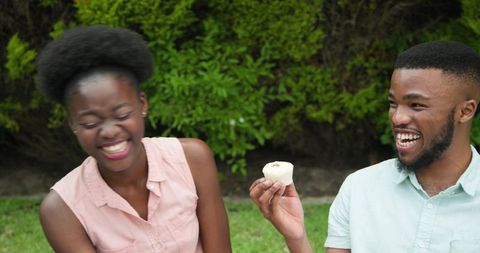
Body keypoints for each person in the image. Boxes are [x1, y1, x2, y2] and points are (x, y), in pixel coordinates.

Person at [249, 40, 480, 253]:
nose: (397, 117)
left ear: (465, 111)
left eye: (416, 105)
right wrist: (297, 237)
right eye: (393, 103)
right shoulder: (359, 189)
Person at [37, 25, 231, 253]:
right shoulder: (62, 209)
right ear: (72, 123)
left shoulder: (192, 160)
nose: (109, 131)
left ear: (142, 105)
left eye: (122, 115)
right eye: (90, 123)